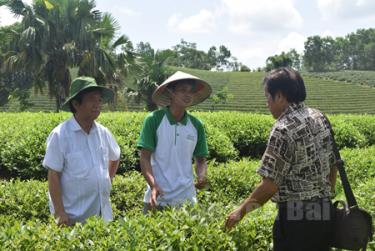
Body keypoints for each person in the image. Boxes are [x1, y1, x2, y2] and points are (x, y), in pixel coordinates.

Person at [224, 67, 339, 251]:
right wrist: (326, 194)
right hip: (324, 212)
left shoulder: (283, 129)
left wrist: (240, 211)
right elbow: (334, 164)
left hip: (296, 218)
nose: (266, 104)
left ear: (279, 96)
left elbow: (269, 186)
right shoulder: (320, 117)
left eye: (267, 98)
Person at [43, 76, 121, 226]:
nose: (97, 104)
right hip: (73, 218)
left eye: (99, 100)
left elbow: (115, 156)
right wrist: (60, 212)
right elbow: (53, 175)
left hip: (103, 216)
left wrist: (107, 180)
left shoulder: (103, 132)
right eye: (92, 99)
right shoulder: (60, 135)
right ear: (76, 104)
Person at [137, 71, 212, 213]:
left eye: (190, 91)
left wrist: (201, 176)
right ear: (171, 92)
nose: (188, 94)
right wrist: (153, 185)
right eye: (183, 90)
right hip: (158, 197)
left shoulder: (196, 125)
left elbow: (201, 160)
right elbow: (145, 157)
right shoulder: (154, 120)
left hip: (187, 198)